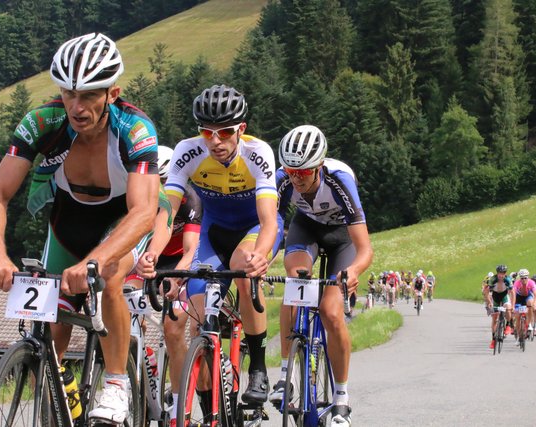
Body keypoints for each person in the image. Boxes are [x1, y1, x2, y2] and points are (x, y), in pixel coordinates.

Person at [0, 33, 163, 423]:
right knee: (52, 311)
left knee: (109, 276)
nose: (77, 107)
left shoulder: (135, 128)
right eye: (68, 94)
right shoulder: (42, 122)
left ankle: (116, 384)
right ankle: (58, 387)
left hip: (123, 218)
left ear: (112, 94)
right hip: (69, 217)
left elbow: (145, 211)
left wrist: (93, 261)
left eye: (89, 95)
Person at [163, 84, 283, 406]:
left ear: (241, 129)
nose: (215, 141)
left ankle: (258, 366)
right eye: (206, 132)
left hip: (254, 228)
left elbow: (270, 220)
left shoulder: (258, 153)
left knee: (245, 272)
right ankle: (208, 404)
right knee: (200, 314)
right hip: (212, 232)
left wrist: (260, 256)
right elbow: (167, 212)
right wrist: (151, 254)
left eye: (225, 132)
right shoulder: (187, 151)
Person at [272, 125, 373, 427]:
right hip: (307, 227)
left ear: (319, 166)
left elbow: (365, 248)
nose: (295, 178)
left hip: (342, 237)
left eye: (303, 172)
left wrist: (353, 271)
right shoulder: (282, 181)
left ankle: (341, 399)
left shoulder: (339, 180)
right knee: (296, 281)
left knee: (331, 312)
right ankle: (285, 375)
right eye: (290, 171)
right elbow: (271, 224)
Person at [131, 145, 202, 425]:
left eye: (164, 181)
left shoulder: (190, 199)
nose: (160, 188)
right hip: (150, 258)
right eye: (154, 182)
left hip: (180, 262)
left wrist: (178, 276)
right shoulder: (140, 196)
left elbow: (190, 251)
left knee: (173, 328)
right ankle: (138, 369)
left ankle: (179, 405)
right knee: (124, 310)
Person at [486, 265, 514, 349]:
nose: (501, 275)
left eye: (503, 273)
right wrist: (489, 302)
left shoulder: (508, 279)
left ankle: (508, 325)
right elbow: (487, 292)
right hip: (495, 297)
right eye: (499, 273)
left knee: (508, 309)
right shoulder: (492, 279)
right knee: (494, 318)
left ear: (505, 273)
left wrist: (512, 304)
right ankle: (494, 339)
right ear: (497, 273)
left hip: (504, 295)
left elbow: (512, 293)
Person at [512, 269, 536, 337]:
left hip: (528, 296)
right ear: (520, 278)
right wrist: (512, 305)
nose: (523, 279)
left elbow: (535, 294)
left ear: (528, 277)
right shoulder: (517, 283)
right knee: (517, 316)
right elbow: (513, 294)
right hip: (519, 297)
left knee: (530, 303)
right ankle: (518, 334)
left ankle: (529, 324)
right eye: (522, 278)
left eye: (525, 278)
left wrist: (535, 303)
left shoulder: (531, 282)